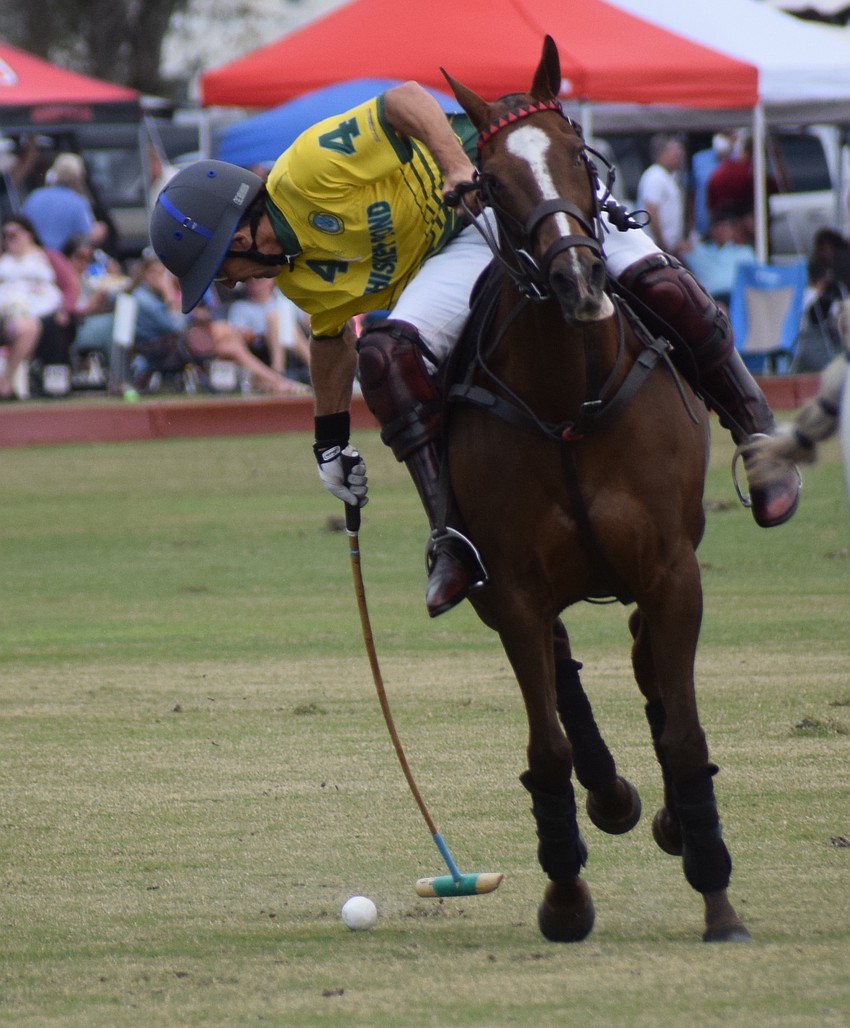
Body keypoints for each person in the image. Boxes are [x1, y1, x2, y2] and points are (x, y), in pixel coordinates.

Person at [149, 82, 801, 618]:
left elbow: (402, 99)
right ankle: (454, 536)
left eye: (220, 266)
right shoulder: (296, 276)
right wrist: (329, 443)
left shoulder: (312, 170)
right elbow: (332, 340)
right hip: (459, 243)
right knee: (384, 357)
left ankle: (758, 434)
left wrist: (456, 164)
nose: (230, 283)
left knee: (661, 285)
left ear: (240, 227)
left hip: (507, 178)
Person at [0, 215, 74, 399]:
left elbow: (71, 284)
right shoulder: (4, 260)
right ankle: (8, 382)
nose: (10, 240)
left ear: (29, 234)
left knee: (31, 326)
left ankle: (6, 381)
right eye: (5, 236)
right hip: (9, 314)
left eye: (14, 235)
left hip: (45, 314)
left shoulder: (47, 257)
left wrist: (65, 309)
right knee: (26, 327)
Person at [225, 276, 312, 389]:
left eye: (260, 279)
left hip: (294, 341)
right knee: (274, 319)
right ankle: (284, 370)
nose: (255, 282)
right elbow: (237, 333)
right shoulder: (240, 307)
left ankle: (290, 370)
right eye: (250, 280)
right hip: (261, 345)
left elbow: (307, 322)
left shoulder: (285, 300)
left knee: (281, 320)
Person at [21, 152, 107, 253]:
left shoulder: (34, 196)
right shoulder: (79, 202)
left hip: (36, 258)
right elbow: (86, 238)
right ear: (79, 177)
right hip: (63, 262)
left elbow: (21, 227)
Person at [682, 207, 756, 309]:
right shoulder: (699, 251)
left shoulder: (744, 252)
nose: (721, 231)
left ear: (732, 230)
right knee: (719, 308)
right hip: (711, 298)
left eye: (725, 227)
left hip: (738, 298)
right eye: (717, 227)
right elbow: (677, 250)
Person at [636, 134, 686, 256]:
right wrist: (662, 243)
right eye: (675, 154)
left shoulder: (670, 177)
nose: (679, 158)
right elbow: (652, 211)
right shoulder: (655, 176)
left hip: (669, 247)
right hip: (655, 246)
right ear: (662, 154)